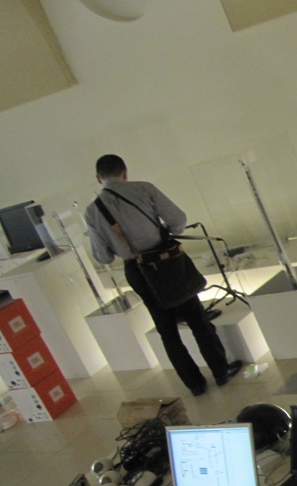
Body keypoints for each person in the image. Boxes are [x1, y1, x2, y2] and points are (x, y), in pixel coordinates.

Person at [84, 154, 240, 396]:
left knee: (167, 330)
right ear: (125, 173)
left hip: (137, 270)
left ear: (98, 179)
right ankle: (220, 370)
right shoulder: (143, 189)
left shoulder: (92, 211)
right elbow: (178, 220)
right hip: (167, 263)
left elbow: (103, 257)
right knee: (197, 319)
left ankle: (195, 385)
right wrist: (165, 232)